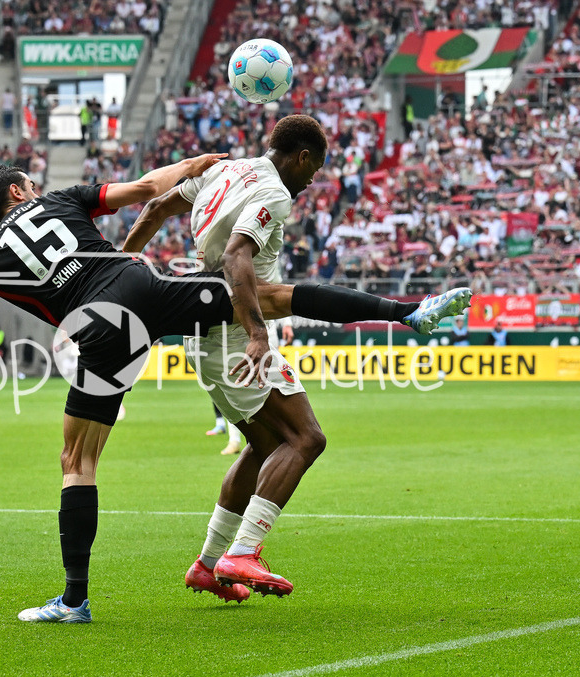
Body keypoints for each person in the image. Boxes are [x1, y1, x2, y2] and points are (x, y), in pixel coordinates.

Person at [0, 155, 468, 623]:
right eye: (28, 183)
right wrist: (204, 165)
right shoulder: (62, 201)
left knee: (77, 461)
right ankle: (408, 309)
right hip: (141, 285)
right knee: (268, 297)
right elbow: (147, 189)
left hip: (99, 328)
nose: (34, 186)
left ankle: (74, 600)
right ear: (17, 191)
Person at [123, 115, 471, 602]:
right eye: (316, 168)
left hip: (201, 333)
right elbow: (237, 257)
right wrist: (257, 333)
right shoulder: (274, 193)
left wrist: (119, 273)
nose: (313, 181)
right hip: (232, 332)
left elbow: (157, 207)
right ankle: (243, 552)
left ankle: (206, 566)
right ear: (302, 156)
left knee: (266, 446)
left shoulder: (227, 170)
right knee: (307, 438)